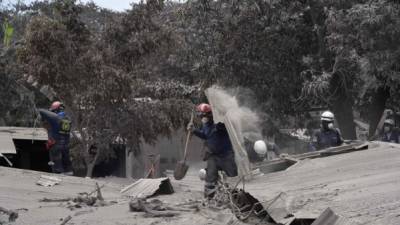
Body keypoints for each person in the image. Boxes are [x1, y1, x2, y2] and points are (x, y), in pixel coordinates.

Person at [188, 103, 238, 198]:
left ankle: (236, 198)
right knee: (210, 179)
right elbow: (205, 135)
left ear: (210, 114)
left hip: (226, 155)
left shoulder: (219, 124)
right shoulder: (205, 125)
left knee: (232, 178)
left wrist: (221, 118)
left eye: (204, 115)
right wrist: (194, 130)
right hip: (213, 156)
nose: (202, 118)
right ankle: (209, 199)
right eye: (201, 116)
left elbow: (225, 125)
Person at [39, 101, 73, 174]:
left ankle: (58, 176)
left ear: (55, 110)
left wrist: (47, 112)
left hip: (55, 144)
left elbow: (41, 110)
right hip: (66, 145)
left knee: (56, 165)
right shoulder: (68, 119)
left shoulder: (55, 117)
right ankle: (69, 176)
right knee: (67, 165)